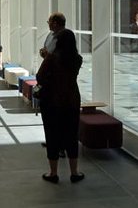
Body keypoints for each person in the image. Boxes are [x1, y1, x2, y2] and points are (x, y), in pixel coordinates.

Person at [36, 27, 84, 184]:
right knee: (71, 136)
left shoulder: (51, 58)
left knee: (52, 136)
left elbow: (40, 77)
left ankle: (53, 173)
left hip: (52, 100)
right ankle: (74, 172)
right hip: (71, 100)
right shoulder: (77, 59)